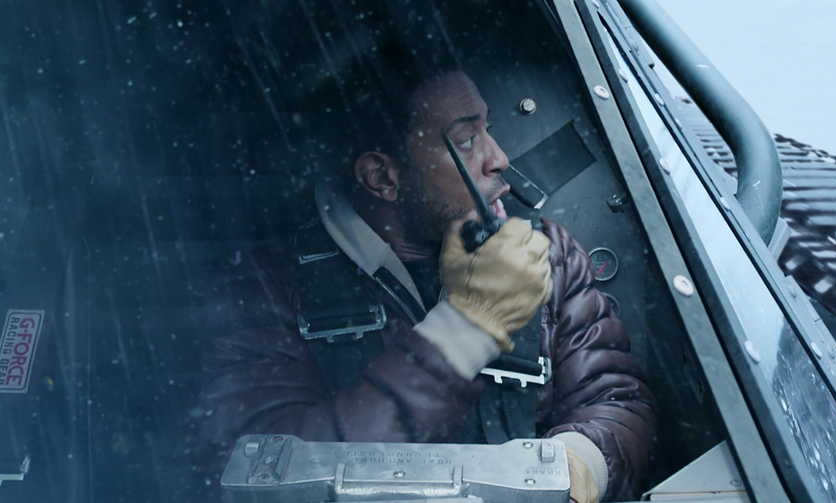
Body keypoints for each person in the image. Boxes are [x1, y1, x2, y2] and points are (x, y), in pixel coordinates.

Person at [195, 68, 658, 502]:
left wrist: (571, 472)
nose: (499, 158)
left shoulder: (544, 252)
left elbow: (616, 399)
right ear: (383, 177)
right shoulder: (266, 286)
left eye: (489, 129)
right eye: (467, 140)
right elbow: (251, 465)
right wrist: (462, 333)